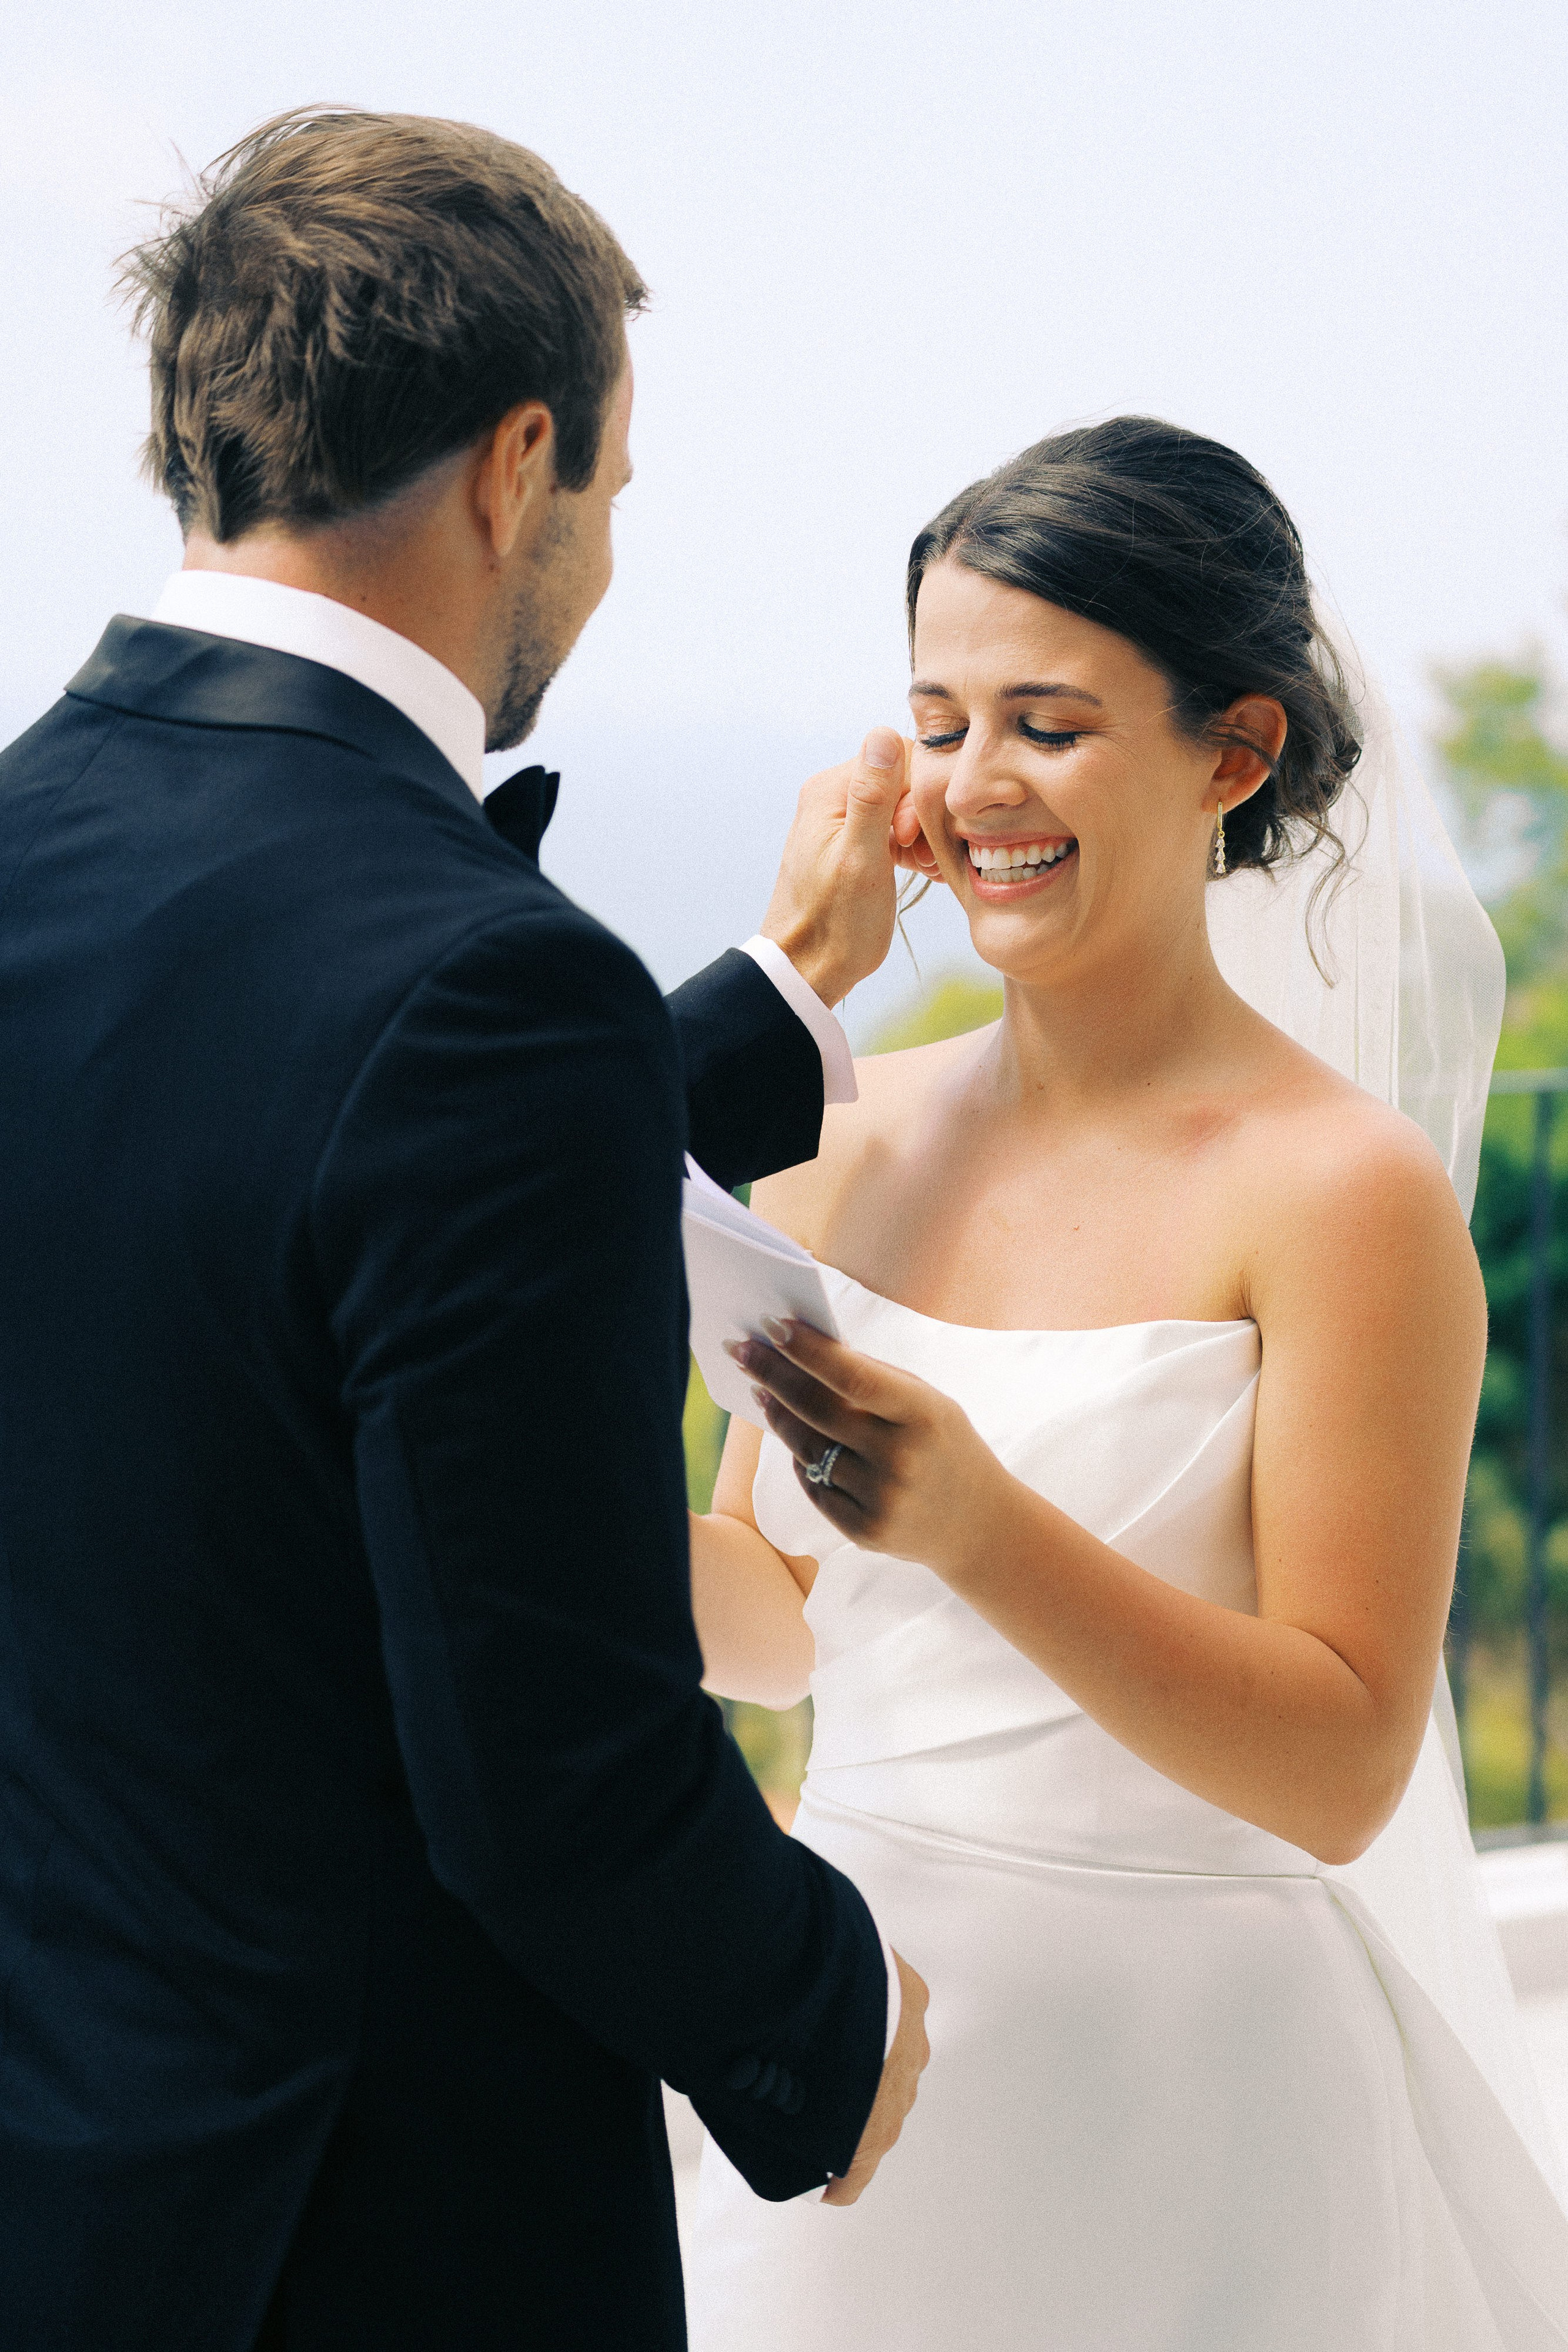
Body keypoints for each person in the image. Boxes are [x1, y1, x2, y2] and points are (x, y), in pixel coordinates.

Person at [0, 109, 930, 2352]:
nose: (599, 560)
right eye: (610, 491)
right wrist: (826, 2014)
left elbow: (221, 1220)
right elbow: (555, 1777)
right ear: (521, 463)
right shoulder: (481, 991)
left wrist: (775, 998)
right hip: (371, 2231)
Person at [684, 417, 1568, 2348]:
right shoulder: (837, 1139)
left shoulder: (1343, 1193)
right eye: (936, 719)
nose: (976, 783)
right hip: (861, 2050)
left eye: (1050, 724)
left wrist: (987, 1529)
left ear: (1231, 754)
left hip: (1199, 2105)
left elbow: (1341, 1766)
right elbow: (776, 1631)